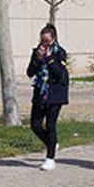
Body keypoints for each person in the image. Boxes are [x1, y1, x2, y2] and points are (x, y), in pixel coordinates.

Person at [25, 23, 69, 171]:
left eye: (47, 41)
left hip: (55, 94)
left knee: (51, 125)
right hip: (40, 92)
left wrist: (49, 59)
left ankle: (50, 159)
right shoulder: (36, 52)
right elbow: (30, 72)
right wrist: (37, 59)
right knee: (35, 125)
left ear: (54, 39)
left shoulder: (60, 53)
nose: (45, 44)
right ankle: (52, 143)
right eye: (43, 40)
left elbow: (59, 74)